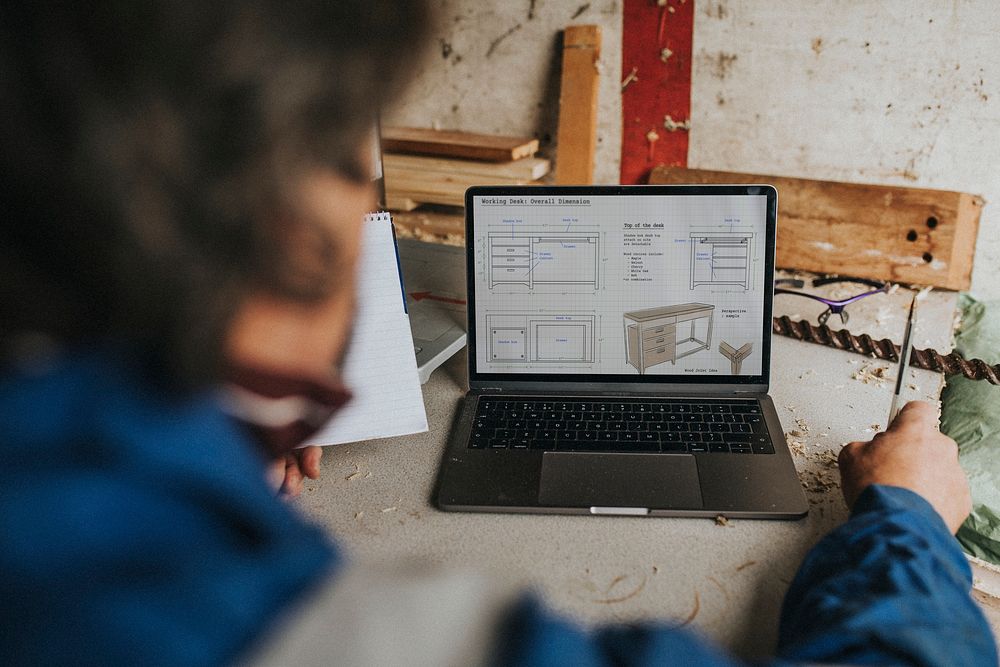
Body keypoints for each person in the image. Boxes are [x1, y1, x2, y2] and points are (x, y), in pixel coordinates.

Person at [0, 2, 995, 665]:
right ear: (269, 227)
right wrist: (905, 517)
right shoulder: (310, 634)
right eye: (359, 178)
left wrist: (190, 446)